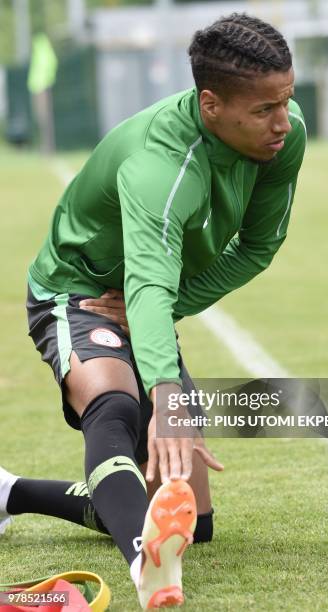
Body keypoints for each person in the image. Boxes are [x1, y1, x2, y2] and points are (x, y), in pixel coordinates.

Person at [0, 12, 306, 609]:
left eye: (286, 100)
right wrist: (167, 394)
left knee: (198, 526)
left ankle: (10, 493)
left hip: (146, 297)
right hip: (77, 289)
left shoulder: (285, 135)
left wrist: (174, 308)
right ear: (211, 104)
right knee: (112, 402)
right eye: (265, 108)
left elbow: (260, 245)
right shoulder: (158, 167)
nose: (283, 122)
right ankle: (146, 560)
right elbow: (145, 283)